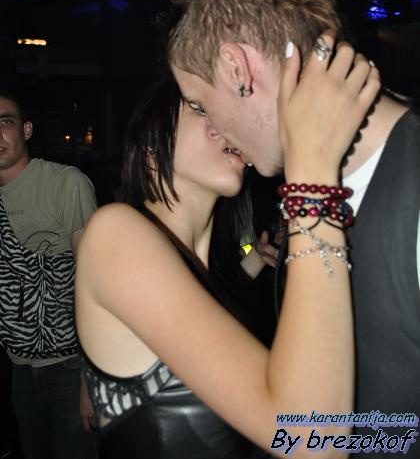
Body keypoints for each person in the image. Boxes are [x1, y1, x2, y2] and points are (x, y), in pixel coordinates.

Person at [163, 0, 419, 455]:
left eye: (199, 103)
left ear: (235, 67)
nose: (212, 126)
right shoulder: (304, 197)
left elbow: (310, 437)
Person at [75, 38, 377, 459]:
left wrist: (261, 263)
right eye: (199, 109)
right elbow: (312, 437)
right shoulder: (115, 233)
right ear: (151, 150)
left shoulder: (205, 270)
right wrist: (312, 173)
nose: (222, 122)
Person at [0, 90, 98, 459]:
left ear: (26, 130)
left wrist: (91, 379)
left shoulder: (65, 183)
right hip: (18, 369)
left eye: (5, 121)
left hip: (70, 367)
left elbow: (94, 283)